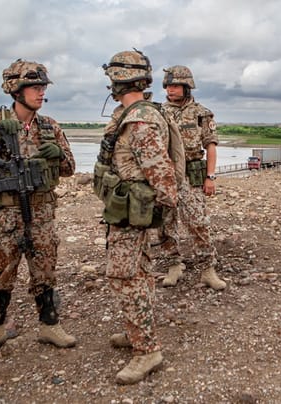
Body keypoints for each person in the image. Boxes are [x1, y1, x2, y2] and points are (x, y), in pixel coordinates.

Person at [0, 59, 77, 358]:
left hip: (41, 214)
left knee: (45, 271)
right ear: (16, 89)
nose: (42, 93)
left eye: (43, 87)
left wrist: (58, 155)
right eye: (35, 87)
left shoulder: (49, 126)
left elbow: (70, 168)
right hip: (4, 216)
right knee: (0, 272)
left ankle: (49, 325)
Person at [98, 49, 179, 384]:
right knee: (140, 274)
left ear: (119, 79)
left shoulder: (140, 120)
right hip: (130, 210)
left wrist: (158, 211)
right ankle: (137, 333)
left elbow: (162, 175)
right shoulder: (131, 113)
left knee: (126, 277)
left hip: (134, 212)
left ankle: (147, 351)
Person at [157, 65, 226, 290]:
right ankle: (173, 264)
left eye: (175, 85)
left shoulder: (201, 113)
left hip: (191, 175)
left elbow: (211, 146)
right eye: (168, 85)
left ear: (187, 87)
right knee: (166, 223)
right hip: (165, 175)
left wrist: (211, 177)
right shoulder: (158, 112)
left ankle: (207, 268)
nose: (170, 90)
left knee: (197, 222)